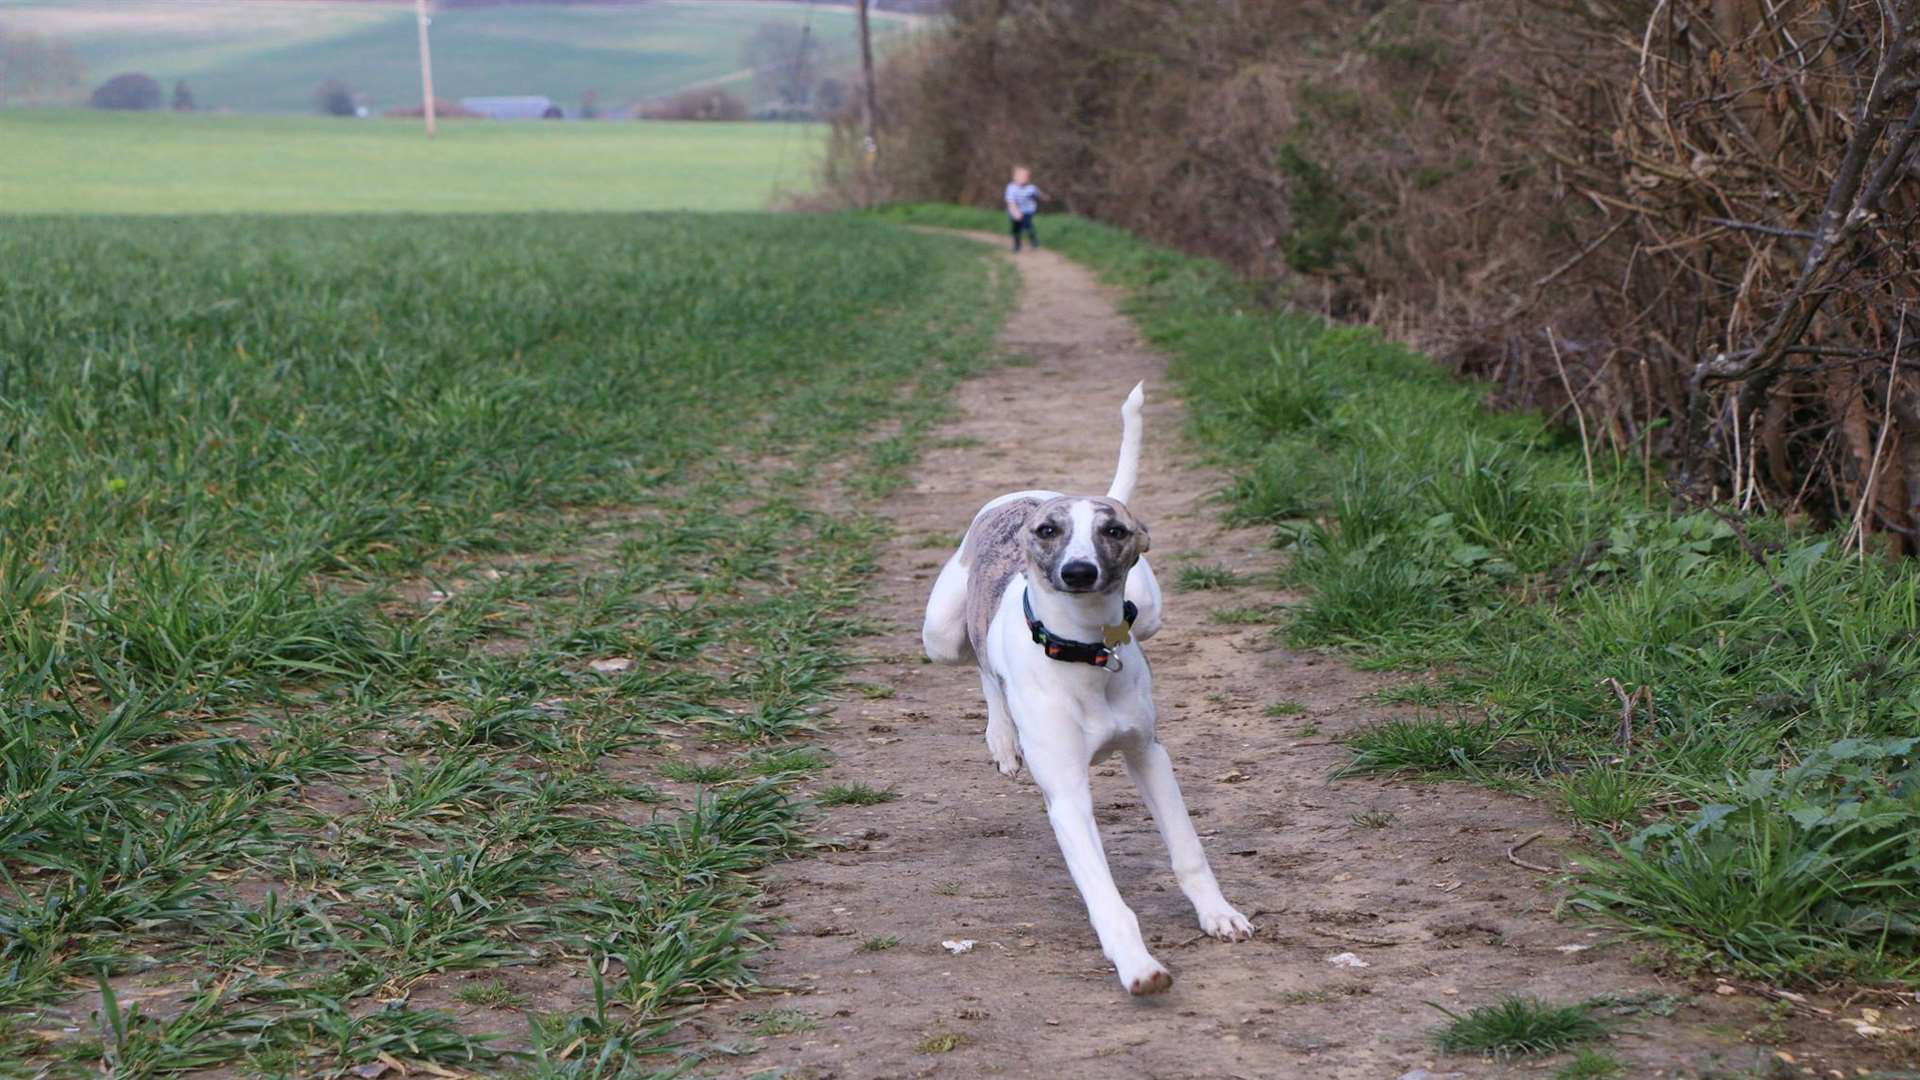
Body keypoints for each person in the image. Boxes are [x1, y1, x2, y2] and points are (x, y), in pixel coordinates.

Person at [1005, 165, 1043, 252]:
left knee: (1027, 224)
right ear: (1014, 177)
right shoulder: (1011, 188)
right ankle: (1017, 245)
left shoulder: (1031, 188)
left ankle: (1033, 239)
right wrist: (1015, 212)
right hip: (1014, 211)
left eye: (1026, 176)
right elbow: (1011, 202)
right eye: (1021, 176)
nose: (1024, 178)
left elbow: (1039, 195)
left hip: (1028, 210)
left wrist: (1042, 197)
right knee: (1016, 228)